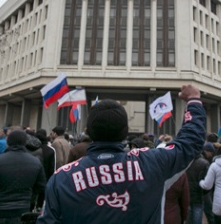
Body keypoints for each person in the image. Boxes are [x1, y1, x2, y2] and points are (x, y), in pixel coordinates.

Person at [37, 84, 206, 223]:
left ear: (89, 132)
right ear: (125, 132)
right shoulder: (151, 163)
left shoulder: (61, 179)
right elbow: (190, 142)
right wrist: (194, 100)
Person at [0, 130, 47, 223]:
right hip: (21, 211)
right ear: (25, 143)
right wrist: (28, 198)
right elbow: (41, 187)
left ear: (7, 142)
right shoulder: (36, 162)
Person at [186, 144, 210, 224]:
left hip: (186, 195)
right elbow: (207, 182)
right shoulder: (204, 163)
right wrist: (204, 192)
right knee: (197, 219)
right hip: (199, 196)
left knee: (188, 219)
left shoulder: (184, 162)